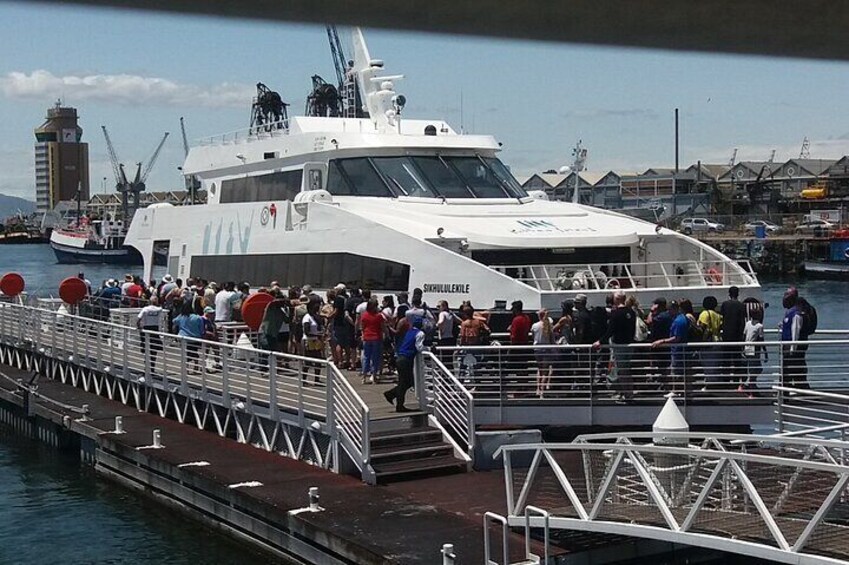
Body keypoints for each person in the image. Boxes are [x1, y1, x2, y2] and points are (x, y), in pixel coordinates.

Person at [593, 290, 636, 402]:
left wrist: (600, 342)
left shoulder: (616, 313)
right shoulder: (631, 312)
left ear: (616, 299)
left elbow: (610, 331)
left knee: (621, 371)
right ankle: (629, 393)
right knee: (627, 369)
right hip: (629, 345)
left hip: (619, 345)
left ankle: (627, 395)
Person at [384, 317, 425, 412]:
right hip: (406, 359)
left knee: (405, 382)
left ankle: (393, 396)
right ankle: (397, 403)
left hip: (400, 357)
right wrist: (429, 349)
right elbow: (419, 347)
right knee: (406, 382)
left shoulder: (409, 331)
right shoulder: (420, 333)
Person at [781, 288, 809, 388]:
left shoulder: (796, 314)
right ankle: (787, 392)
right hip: (786, 346)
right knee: (788, 370)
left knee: (789, 370)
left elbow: (795, 331)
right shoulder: (789, 312)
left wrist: (793, 348)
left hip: (791, 348)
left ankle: (787, 393)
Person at [720, 285, 747, 385]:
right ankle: (736, 381)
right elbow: (742, 321)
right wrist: (742, 335)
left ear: (729, 294)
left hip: (726, 335)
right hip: (737, 336)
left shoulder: (724, 304)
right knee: (737, 359)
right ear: (738, 294)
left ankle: (726, 381)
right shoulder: (741, 305)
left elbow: (722, 318)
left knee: (726, 358)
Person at [172, 300, 205, 373]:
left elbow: (174, 321)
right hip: (195, 338)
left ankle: (186, 368)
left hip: (184, 338)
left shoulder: (182, 316)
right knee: (194, 351)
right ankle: (196, 366)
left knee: (186, 353)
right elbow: (201, 328)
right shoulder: (198, 317)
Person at [741, 301, 766, 396]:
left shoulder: (747, 323)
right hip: (755, 350)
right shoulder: (760, 326)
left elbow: (744, 336)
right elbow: (761, 339)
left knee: (752, 368)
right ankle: (750, 386)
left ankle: (749, 385)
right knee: (757, 369)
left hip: (747, 348)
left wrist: (742, 348)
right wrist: (765, 352)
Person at [698, 296, 724, 387]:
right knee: (715, 364)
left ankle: (710, 385)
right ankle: (715, 384)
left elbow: (702, 327)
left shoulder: (704, 314)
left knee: (707, 365)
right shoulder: (717, 315)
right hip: (718, 340)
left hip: (708, 342)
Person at [360, 298, 385, 384]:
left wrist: (362, 334)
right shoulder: (378, 316)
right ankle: (373, 375)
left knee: (366, 357)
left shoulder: (364, 315)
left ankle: (364, 376)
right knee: (375, 357)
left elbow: (362, 327)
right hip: (376, 337)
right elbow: (382, 327)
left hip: (367, 337)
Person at [531, 309, 555, 397]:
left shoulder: (535, 325)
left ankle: (537, 389)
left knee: (539, 369)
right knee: (545, 371)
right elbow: (552, 338)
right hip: (546, 349)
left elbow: (533, 336)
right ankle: (543, 390)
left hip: (537, 350)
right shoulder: (548, 325)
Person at [302, 297, 326, 385]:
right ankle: (304, 379)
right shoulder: (306, 318)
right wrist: (318, 335)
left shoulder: (315, 317)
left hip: (316, 341)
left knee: (318, 360)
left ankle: (317, 379)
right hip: (308, 341)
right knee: (308, 361)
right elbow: (307, 332)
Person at [136, 295, 163, 371]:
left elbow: (138, 319)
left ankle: (147, 365)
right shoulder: (159, 309)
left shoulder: (145, 309)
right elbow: (160, 307)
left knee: (146, 348)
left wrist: (139, 326)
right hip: (155, 330)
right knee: (154, 349)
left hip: (146, 328)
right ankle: (152, 366)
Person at [508, 300, 532, 378]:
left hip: (516, 345)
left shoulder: (516, 319)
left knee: (517, 365)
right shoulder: (527, 318)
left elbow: (513, 336)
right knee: (523, 365)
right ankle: (523, 383)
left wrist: (510, 330)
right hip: (525, 344)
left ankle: (520, 383)